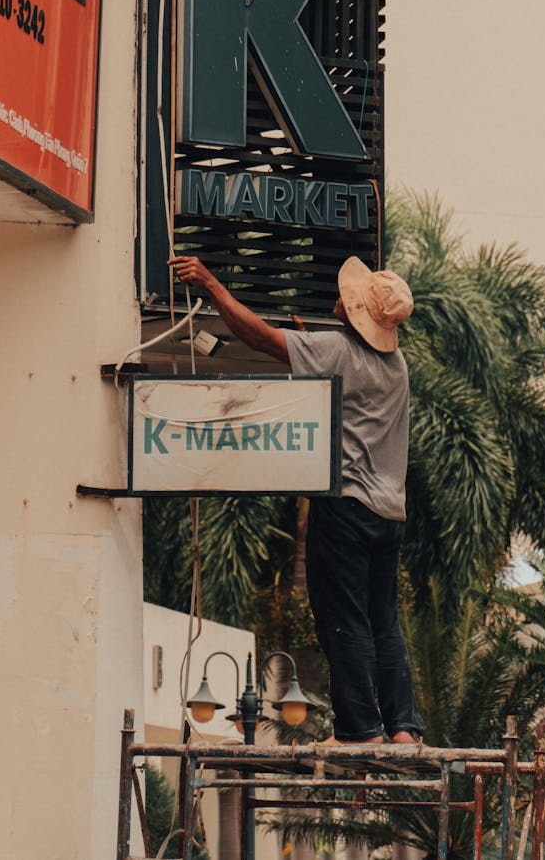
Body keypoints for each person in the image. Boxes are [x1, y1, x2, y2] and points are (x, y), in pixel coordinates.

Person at [169, 252, 423, 746]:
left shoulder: (336, 351)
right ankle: (402, 729)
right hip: (389, 513)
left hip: (346, 505)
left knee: (343, 620)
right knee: (383, 623)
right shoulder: (396, 365)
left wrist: (211, 284)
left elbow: (261, 338)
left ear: (353, 314)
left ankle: (360, 730)